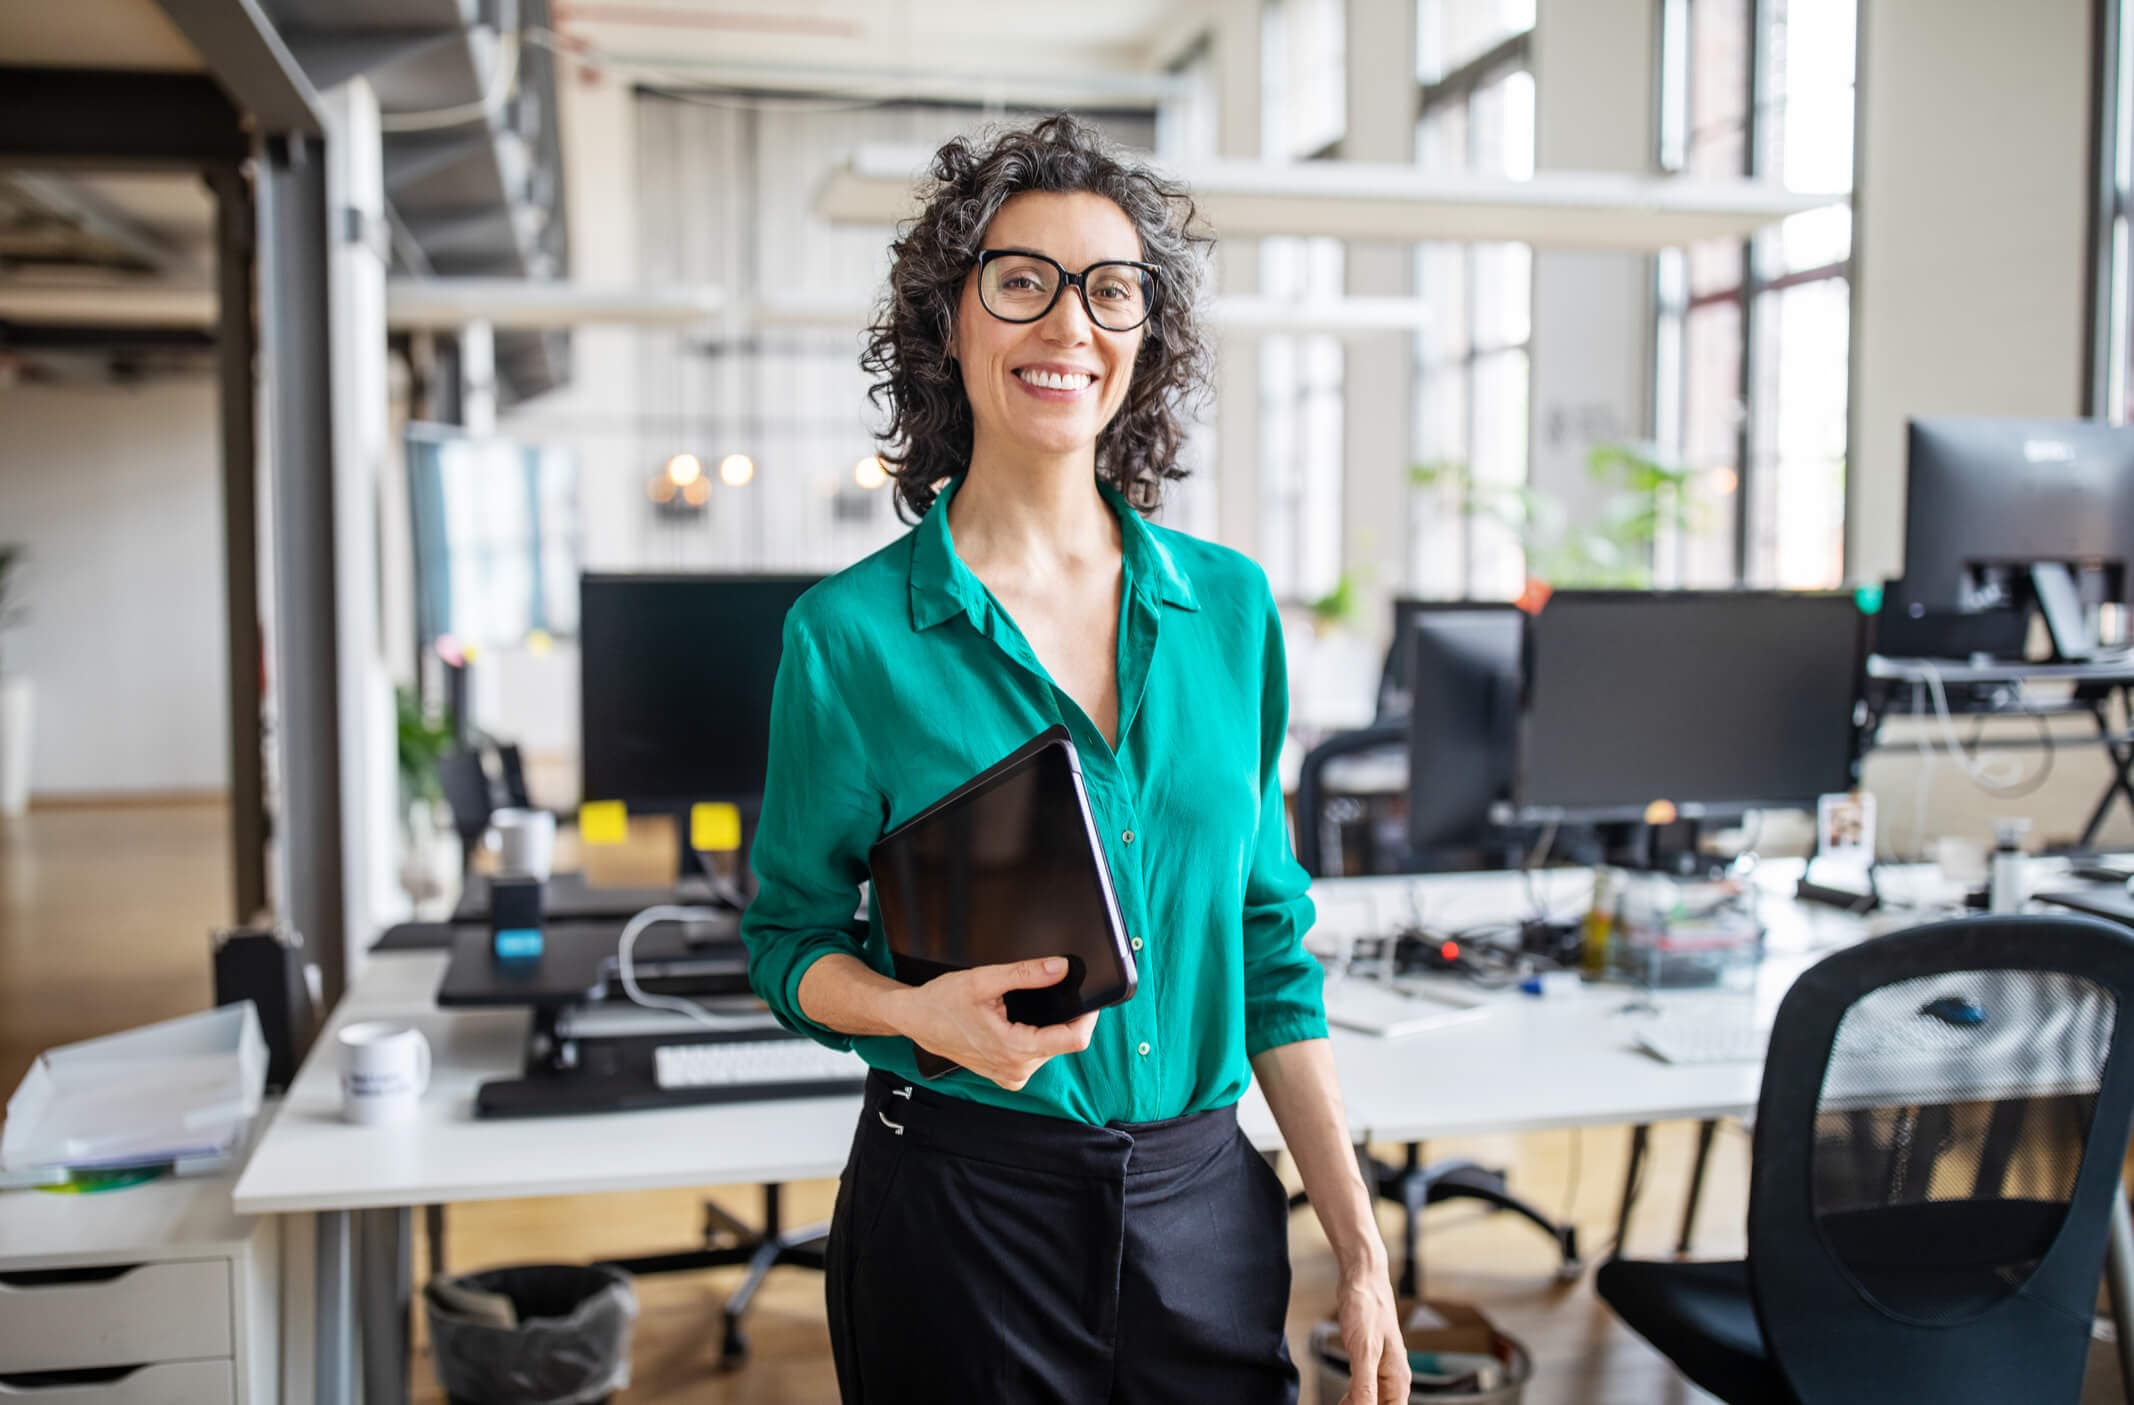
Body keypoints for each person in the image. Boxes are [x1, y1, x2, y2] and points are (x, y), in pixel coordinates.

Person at [742, 112, 1408, 1404]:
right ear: (949, 321)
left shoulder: (1227, 609)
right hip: (959, 1216)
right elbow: (786, 940)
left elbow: (1268, 947)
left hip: (1203, 1208)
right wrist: (904, 1012)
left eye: (1110, 290)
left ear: (1144, 337)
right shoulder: (849, 640)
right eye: (1019, 281)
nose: (1067, 325)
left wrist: (1361, 1246)